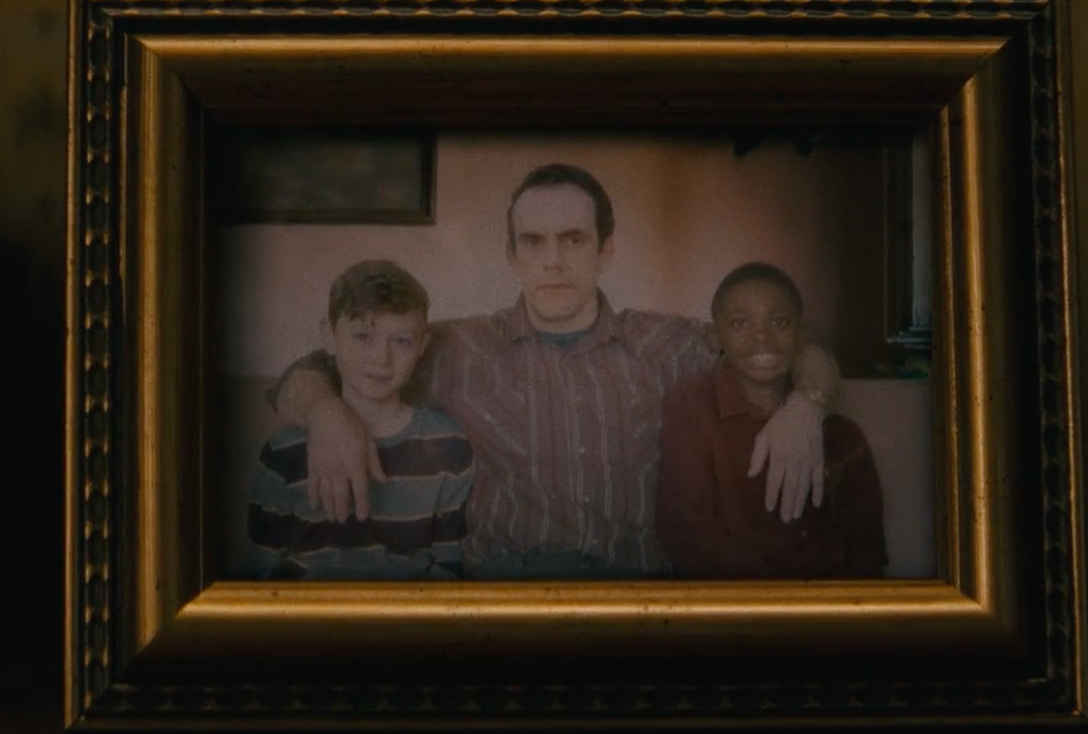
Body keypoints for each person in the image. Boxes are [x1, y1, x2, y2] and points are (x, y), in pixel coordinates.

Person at [269, 163, 839, 578]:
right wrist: (325, 413)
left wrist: (806, 407)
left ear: (605, 251)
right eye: (533, 241)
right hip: (506, 591)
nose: (552, 260)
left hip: (633, 591)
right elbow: (308, 371)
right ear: (512, 255)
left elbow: (796, 352)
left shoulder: (663, 344)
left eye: (573, 239)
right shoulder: (457, 347)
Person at [229, 260, 473, 580]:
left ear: (422, 345)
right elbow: (262, 569)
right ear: (329, 337)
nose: (382, 358)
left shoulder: (448, 445)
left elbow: (449, 568)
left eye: (402, 341)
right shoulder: (284, 451)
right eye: (363, 337)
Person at [656, 262, 888, 578]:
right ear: (714, 337)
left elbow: (866, 556)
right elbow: (687, 538)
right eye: (740, 323)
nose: (762, 338)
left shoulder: (842, 436)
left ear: (801, 336)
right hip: (729, 598)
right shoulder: (691, 409)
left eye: (779, 322)